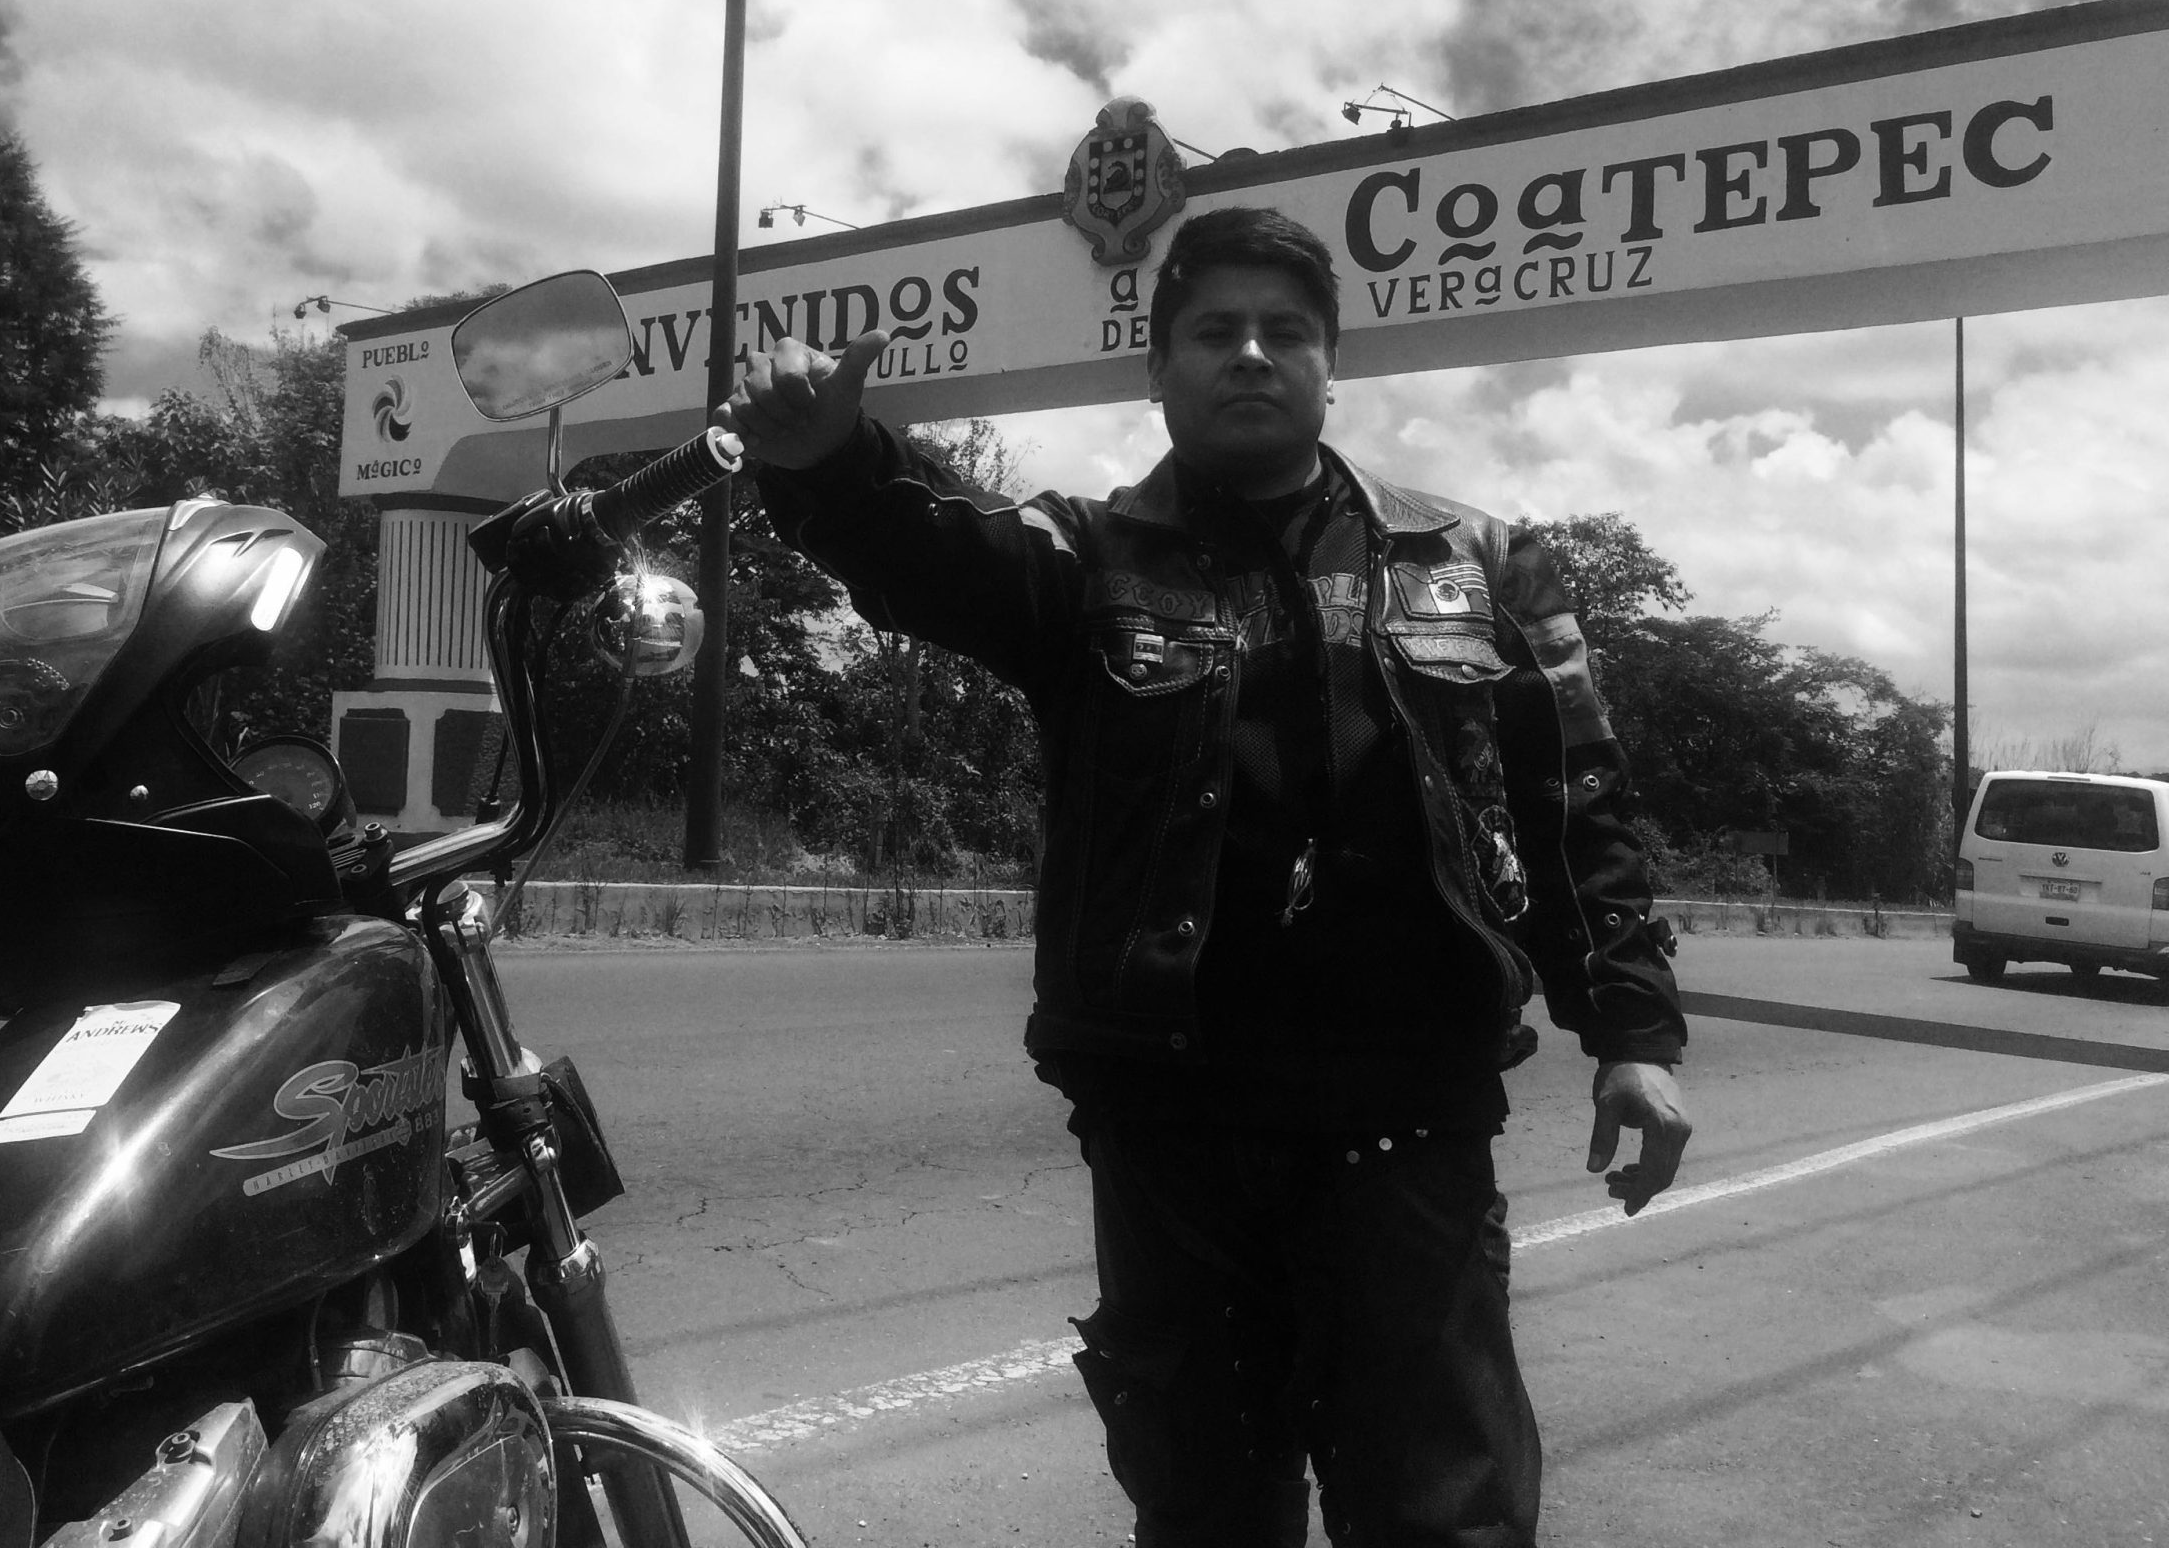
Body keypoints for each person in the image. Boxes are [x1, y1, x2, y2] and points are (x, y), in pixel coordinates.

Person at [715, 204, 1688, 1548]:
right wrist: (831, 462)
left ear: (1331, 365)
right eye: (1214, 330)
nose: (1251, 353)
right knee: (1205, 1521)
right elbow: (936, 546)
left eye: (1285, 330)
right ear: (1158, 368)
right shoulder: (1086, 560)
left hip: (1409, 1134)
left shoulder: (1476, 564)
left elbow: (1577, 802)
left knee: (1445, 1521)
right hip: (1174, 1142)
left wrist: (1633, 1034)